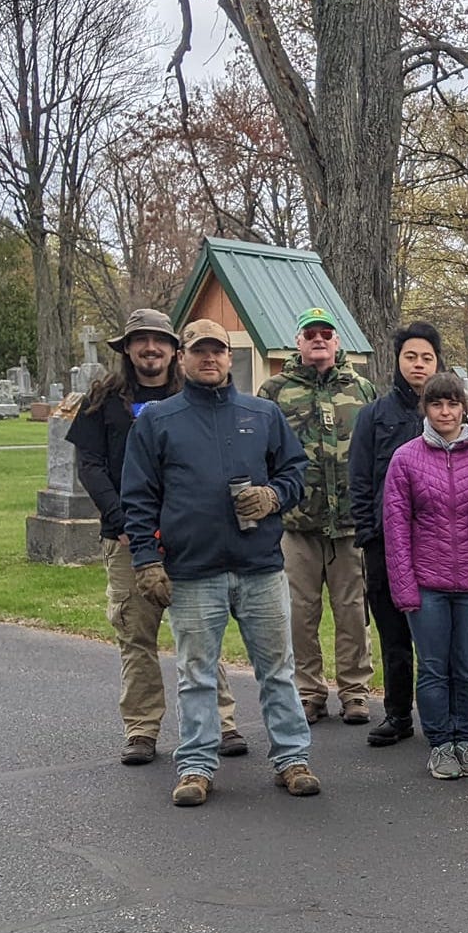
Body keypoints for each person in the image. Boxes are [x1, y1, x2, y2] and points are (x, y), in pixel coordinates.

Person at [120, 319, 318, 807]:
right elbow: (139, 495)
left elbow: (295, 469)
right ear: (181, 358)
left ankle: (292, 759)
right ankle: (195, 766)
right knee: (196, 674)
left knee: (277, 670)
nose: (209, 359)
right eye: (199, 351)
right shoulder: (158, 419)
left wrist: (273, 496)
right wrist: (147, 560)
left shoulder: (263, 413)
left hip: (260, 567)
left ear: (230, 359)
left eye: (218, 351)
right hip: (192, 571)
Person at [67, 308, 246, 766]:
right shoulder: (103, 399)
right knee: (136, 635)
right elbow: (90, 465)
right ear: (127, 349)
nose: (151, 348)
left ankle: (221, 722)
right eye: (141, 341)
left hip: (187, 538)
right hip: (128, 540)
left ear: (174, 350)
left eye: (160, 341)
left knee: (201, 633)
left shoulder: (193, 398)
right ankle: (143, 729)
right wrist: (125, 522)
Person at [383, 372, 468, 780]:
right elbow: (396, 527)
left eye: (452, 404)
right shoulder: (406, 458)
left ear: (463, 407)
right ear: (426, 408)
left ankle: (466, 739)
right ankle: (440, 743)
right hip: (427, 582)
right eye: (437, 404)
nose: (445, 412)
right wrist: (404, 587)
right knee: (435, 667)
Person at [258, 308, 378, 726]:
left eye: (326, 334)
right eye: (311, 334)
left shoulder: (361, 389)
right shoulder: (274, 391)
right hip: (297, 524)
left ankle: (355, 692)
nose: (319, 340)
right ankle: (309, 692)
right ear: (299, 342)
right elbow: (261, 453)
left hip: (348, 524)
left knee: (351, 611)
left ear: (337, 341)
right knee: (300, 613)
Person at [350, 323, 443, 748]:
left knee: (439, 633)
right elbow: (360, 480)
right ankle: (398, 713)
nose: (418, 364)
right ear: (398, 361)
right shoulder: (374, 415)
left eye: (426, 357)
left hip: (438, 543)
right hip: (385, 543)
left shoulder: (447, 412)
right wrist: (371, 535)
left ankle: (445, 715)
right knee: (393, 633)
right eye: (411, 357)